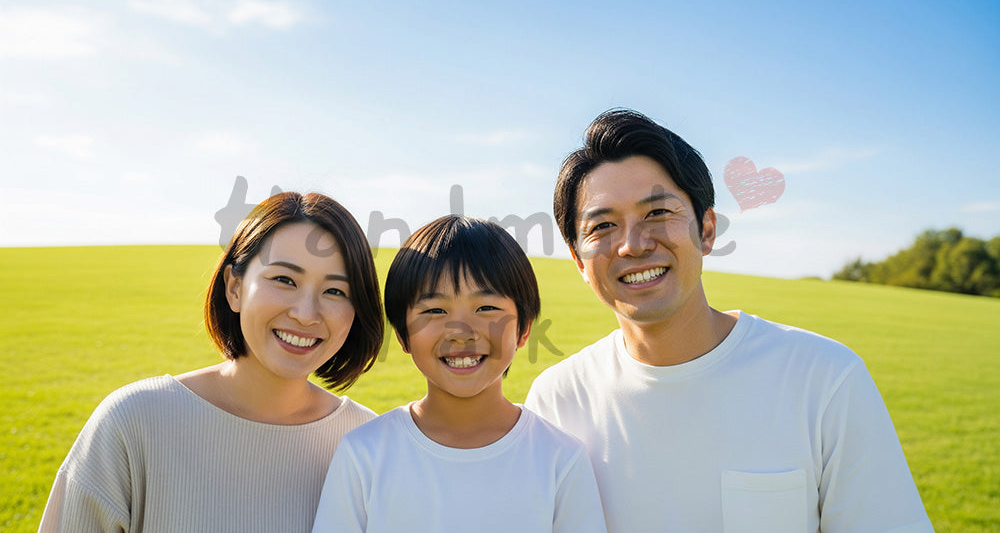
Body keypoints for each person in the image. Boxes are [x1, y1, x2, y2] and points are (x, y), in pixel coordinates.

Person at [524, 108, 934, 533]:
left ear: (706, 231)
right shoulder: (556, 402)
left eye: (658, 213)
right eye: (603, 225)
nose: (633, 244)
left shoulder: (825, 380)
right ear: (577, 259)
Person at [39, 192, 385, 533]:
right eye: (284, 280)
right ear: (234, 287)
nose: (306, 314)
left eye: (335, 291)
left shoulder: (371, 443)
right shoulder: (134, 423)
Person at [311, 215, 608, 533]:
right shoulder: (364, 454)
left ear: (523, 329)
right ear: (402, 336)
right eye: (435, 311)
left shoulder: (560, 459)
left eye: (486, 308)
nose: (461, 333)